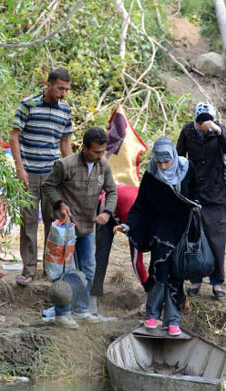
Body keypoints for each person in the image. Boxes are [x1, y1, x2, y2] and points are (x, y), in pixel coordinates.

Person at [115, 137, 200, 337]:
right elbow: (140, 205)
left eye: (166, 162)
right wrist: (128, 225)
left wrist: (195, 204)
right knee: (160, 272)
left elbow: (196, 191)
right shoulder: (152, 174)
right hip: (159, 230)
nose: (163, 166)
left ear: (173, 156)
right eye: (159, 162)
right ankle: (153, 314)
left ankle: (172, 319)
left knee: (175, 274)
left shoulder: (186, 168)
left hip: (181, 228)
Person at [42, 127, 117, 328]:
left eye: (103, 152)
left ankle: (82, 309)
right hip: (65, 228)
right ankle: (62, 313)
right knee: (65, 271)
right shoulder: (65, 165)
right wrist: (59, 204)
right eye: (96, 152)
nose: (100, 156)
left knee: (89, 269)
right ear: (84, 148)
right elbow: (48, 186)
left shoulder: (104, 166)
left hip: (87, 226)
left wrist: (107, 213)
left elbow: (112, 192)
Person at [11, 68, 73, 287]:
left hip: (52, 175)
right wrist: (19, 167)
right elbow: (14, 135)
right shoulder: (29, 104)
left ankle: (51, 268)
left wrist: (70, 170)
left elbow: (65, 141)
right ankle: (29, 270)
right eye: (59, 88)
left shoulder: (65, 110)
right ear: (48, 85)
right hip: (28, 171)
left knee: (53, 220)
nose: (63, 93)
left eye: (66, 89)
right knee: (28, 221)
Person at [177, 102, 226, 299]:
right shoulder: (187, 131)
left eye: (207, 120)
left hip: (216, 193)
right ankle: (195, 279)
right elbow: (179, 157)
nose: (203, 124)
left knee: (216, 238)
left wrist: (217, 130)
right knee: (195, 237)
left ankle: (217, 282)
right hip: (195, 193)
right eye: (200, 120)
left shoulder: (218, 130)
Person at [92, 185, 150, 310]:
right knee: (102, 252)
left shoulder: (153, 216)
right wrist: (149, 289)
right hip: (107, 207)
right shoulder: (135, 221)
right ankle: (94, 294)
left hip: (123, 203)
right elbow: (136, 261)